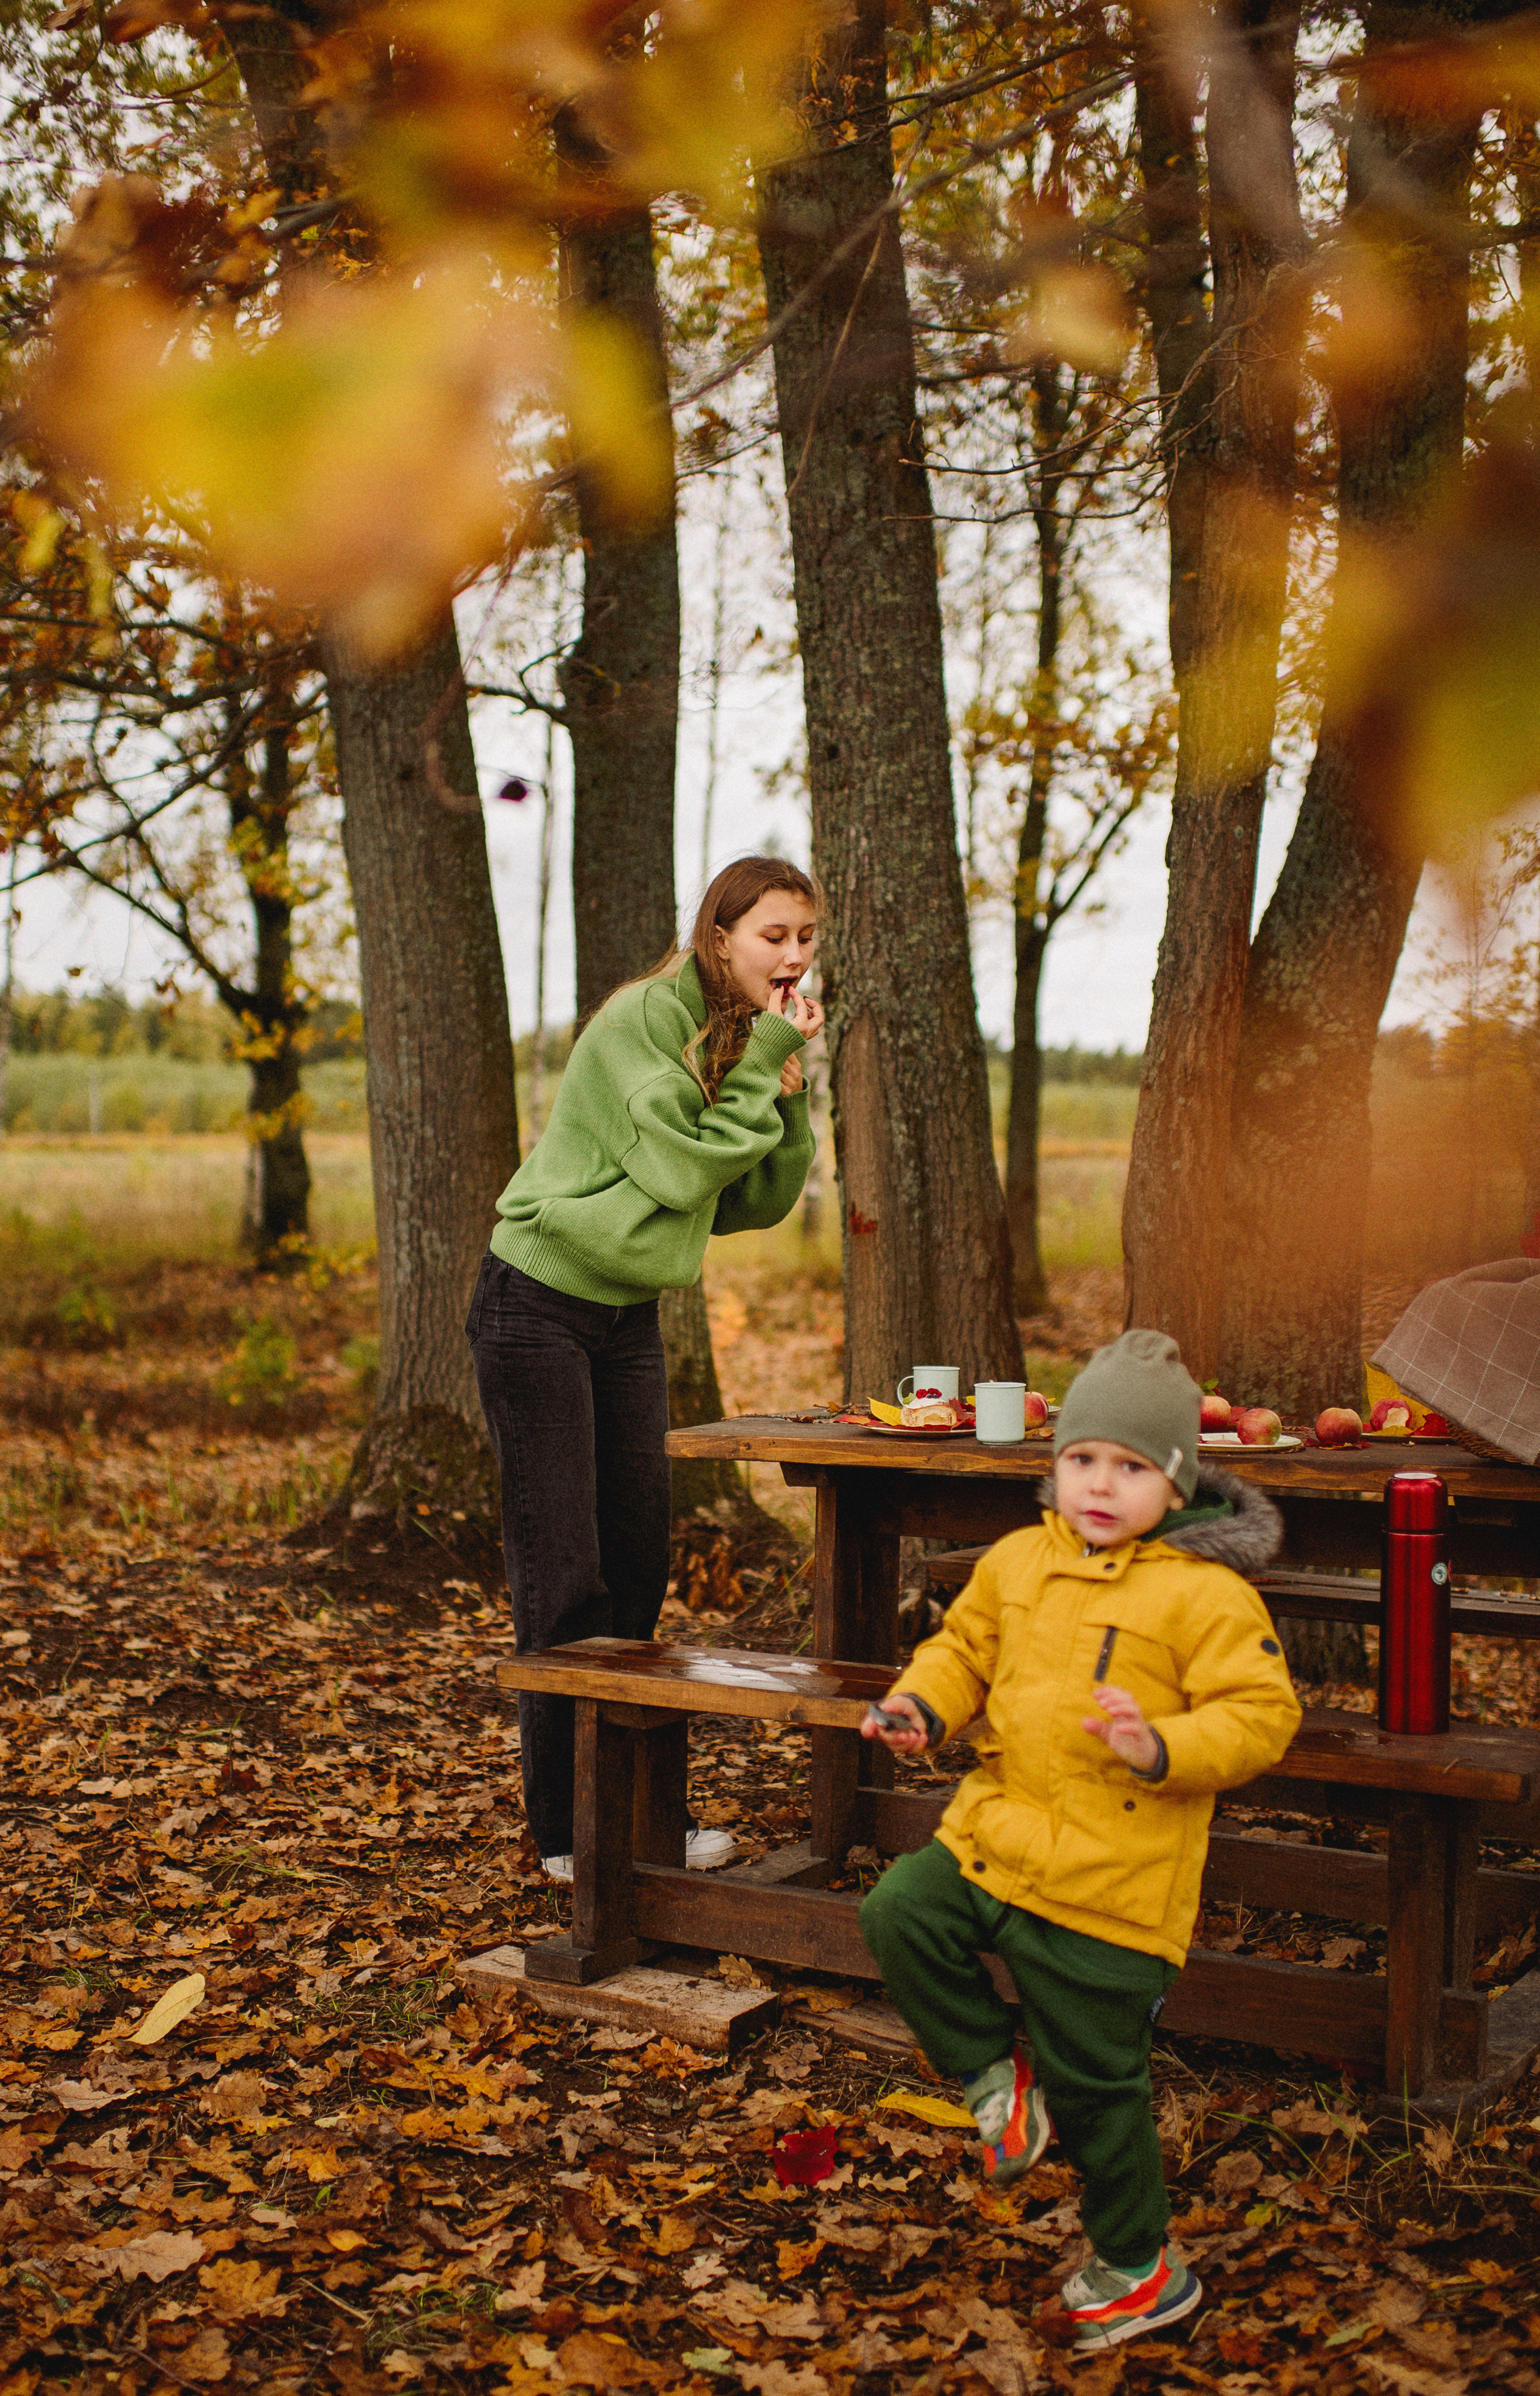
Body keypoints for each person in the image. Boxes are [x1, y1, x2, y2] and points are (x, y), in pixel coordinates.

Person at [858, 1329, 1299, 2357]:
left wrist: (1162, 1745)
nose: (1101, 1484)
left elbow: (1263, 1713)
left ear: (1176, 1483)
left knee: (1101, 2091)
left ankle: (1142, 2265)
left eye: (1132, 1468)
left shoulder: (1205, 1594)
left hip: (1116, 1884)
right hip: (998, 1837)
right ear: (1055, 1467)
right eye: (1084, 1459)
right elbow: (961, 1650)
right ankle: (995, 2082)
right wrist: (922, 1706)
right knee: (898, 1909)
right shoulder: (1020, 1561)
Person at [469, 856, 825, 1882]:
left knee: (637, 1567)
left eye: (806, 937)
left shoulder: (741, 1039)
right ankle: (570, 1837)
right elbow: (674, 1167)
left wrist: (787, 1099)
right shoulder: (640, 1024)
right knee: (565, 1579)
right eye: (773, 936)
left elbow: (746, 1201)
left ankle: (637, 1814)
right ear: (720, 939)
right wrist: (761, 1069)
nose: (794, 957)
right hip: (536, 1303)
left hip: (625, 1317)